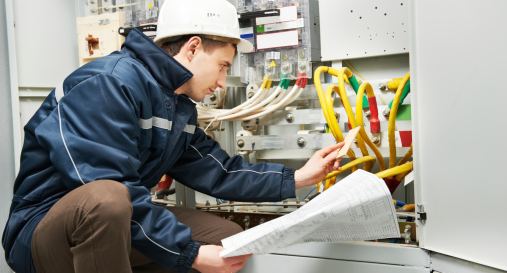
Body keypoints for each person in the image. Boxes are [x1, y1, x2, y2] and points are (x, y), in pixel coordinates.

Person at [2, 0, 345, 272]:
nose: (223, 82)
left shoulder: (175, 105)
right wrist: (190, 254)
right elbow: (107, 185)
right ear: (193, 48)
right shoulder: (109, 83)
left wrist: (298, 177)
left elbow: (217, 170)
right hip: (43, 237)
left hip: (111, 225)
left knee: (226, 240)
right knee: (108, 197)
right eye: (224, 66)